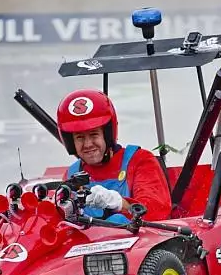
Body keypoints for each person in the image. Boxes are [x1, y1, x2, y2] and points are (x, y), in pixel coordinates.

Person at [56, 88, 172, 223]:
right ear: (71, 142)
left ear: (107, 134)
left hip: (141, 242)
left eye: (94, 134)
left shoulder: (140, 160)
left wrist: (119, 203)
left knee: (117, 219)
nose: (87, 144)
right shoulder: (71, 175)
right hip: (89, 242)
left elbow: (158, 212)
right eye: (80, 137)